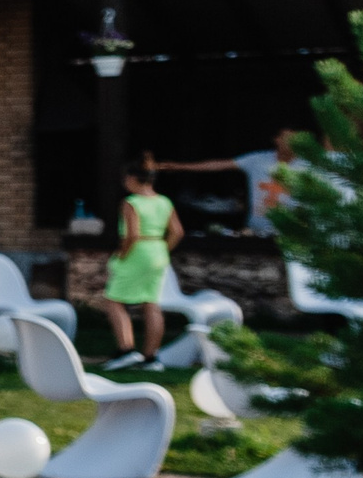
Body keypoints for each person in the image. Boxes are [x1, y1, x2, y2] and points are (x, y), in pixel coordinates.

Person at [98, 163, 185, 369]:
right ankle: (150, 358)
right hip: (158, 250)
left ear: (132, 179)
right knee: (151, 303)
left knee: (113, 300)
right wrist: (163, 248)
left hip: (138, 252)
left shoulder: (131, 203)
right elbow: (177, 232)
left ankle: (126, 350)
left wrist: (121, 254)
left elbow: (132, 235)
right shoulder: (164, 201)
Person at [153, 132, 299, 235]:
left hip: (293, 234)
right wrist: (179, 167)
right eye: (286, 138)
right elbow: (218, 165)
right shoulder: (257, 160)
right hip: (256, 230)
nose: (289, 142)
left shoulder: (308, 165)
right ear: (276, 139)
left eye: (294, 139)